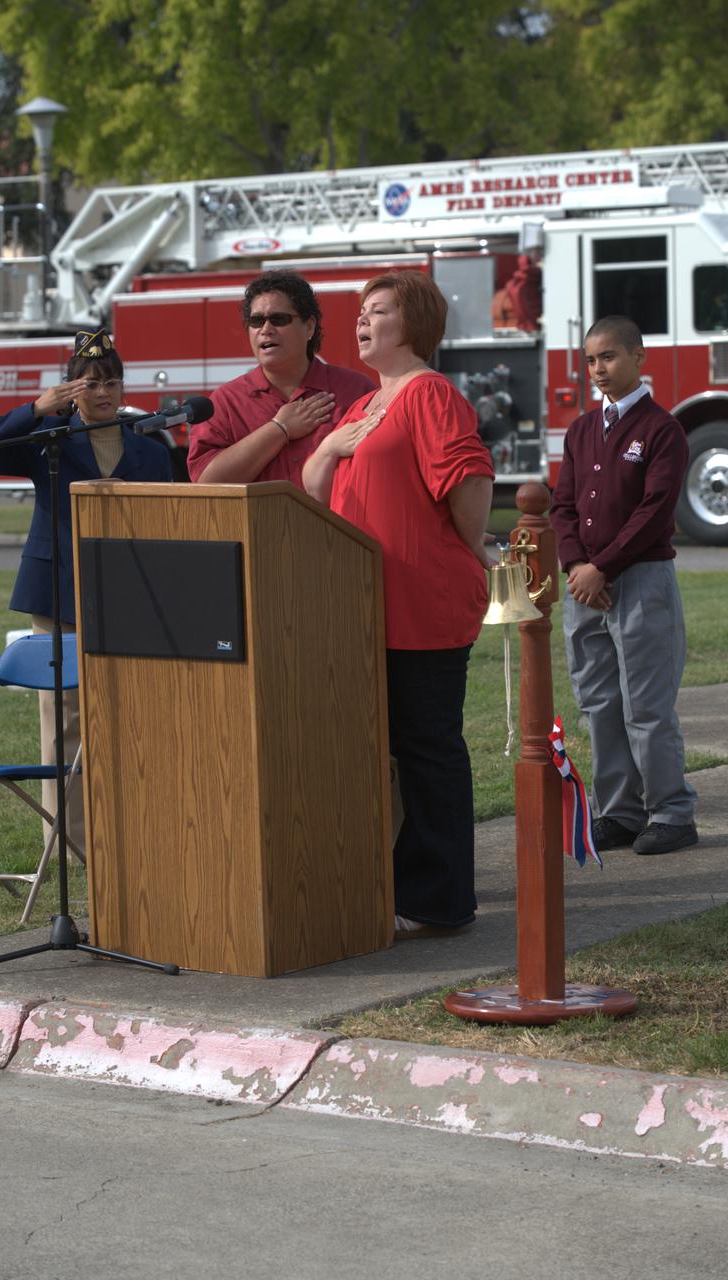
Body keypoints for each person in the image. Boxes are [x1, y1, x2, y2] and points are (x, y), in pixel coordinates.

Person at [302, 271, 494, 941]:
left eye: (377, 311)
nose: (361, 321)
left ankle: (440, 899)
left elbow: (468, 478)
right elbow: (313, 488)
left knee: (426, 748)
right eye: (358, 312)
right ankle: (391, 882)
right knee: (384, 751)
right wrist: (327, 446)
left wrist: (471, 546)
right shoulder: (359, 406)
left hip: (423, 600)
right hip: (364, 608)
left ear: (409, 324)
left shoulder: (429, 394)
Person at [0, 327, 173, 858]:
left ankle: (138, 832)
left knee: (135, 716)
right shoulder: (48, 439)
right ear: (71, 388)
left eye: (111, 382)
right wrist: (37, 408)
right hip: (59, 594)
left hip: (132, 595)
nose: (103, 392)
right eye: (90, 382)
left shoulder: (149, 451)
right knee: (65, 721)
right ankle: (72, 847)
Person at [550, 315, 698, 856]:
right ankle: (622, 811)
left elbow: (654, 512)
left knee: (646, 706)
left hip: (638, 582)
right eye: (590, 360)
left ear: (639, 358)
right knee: (600, 704)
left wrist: (602, 568)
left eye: (609, 357)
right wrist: (574, 567)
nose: (598, 370)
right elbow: (562, 505)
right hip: (585, 586)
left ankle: (672, 812)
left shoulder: (662, 431)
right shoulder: (582, 430)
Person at [186, 270, 375, 486]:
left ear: (309, 327)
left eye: (279, 319)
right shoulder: (225, 402)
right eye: (256, 321)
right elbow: (206, 483)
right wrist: (280, 429)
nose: (266, 329)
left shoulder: (357, 391)